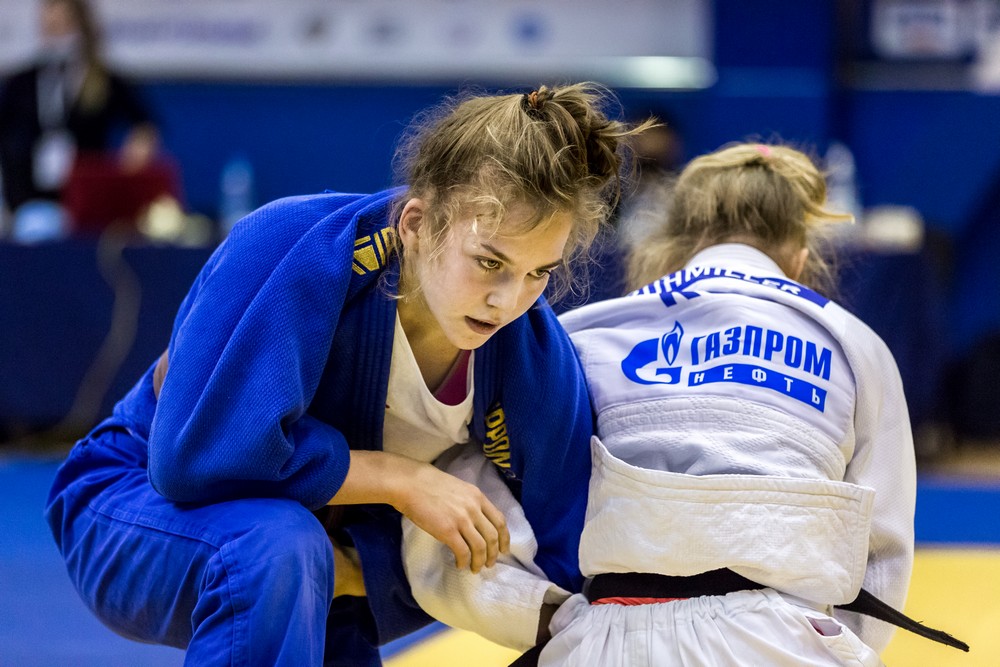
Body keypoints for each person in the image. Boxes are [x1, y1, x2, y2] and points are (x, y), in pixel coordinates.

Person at [44, 82, 650, 666]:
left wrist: (372, 566)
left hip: (324, 567)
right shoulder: (291, 247)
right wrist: (401, 480)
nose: (507, 299)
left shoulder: (531, 357)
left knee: (304, 552)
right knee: (278, 545)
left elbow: (574, 556)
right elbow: (192, 460)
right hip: (136, 499)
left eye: (538, 273)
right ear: (415, 224)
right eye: (489, 262)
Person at [404, 142, 966, 665]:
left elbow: (464, 503)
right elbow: (881, 548)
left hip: (604, 640)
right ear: (798, 258)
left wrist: (550, 619)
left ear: (673, 242)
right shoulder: (853, 343)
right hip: (783, 643)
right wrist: (827, 644)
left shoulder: (579, 333)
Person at [0, 0, 159, 219]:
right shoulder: (22, 83)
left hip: (88, 197)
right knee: (37, 224)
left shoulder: (101, 80)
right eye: (49, 28)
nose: (55, 37)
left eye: (62, 27)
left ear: (81, 27)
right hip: (31, 198)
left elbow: (144, 122)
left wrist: (138, 147)